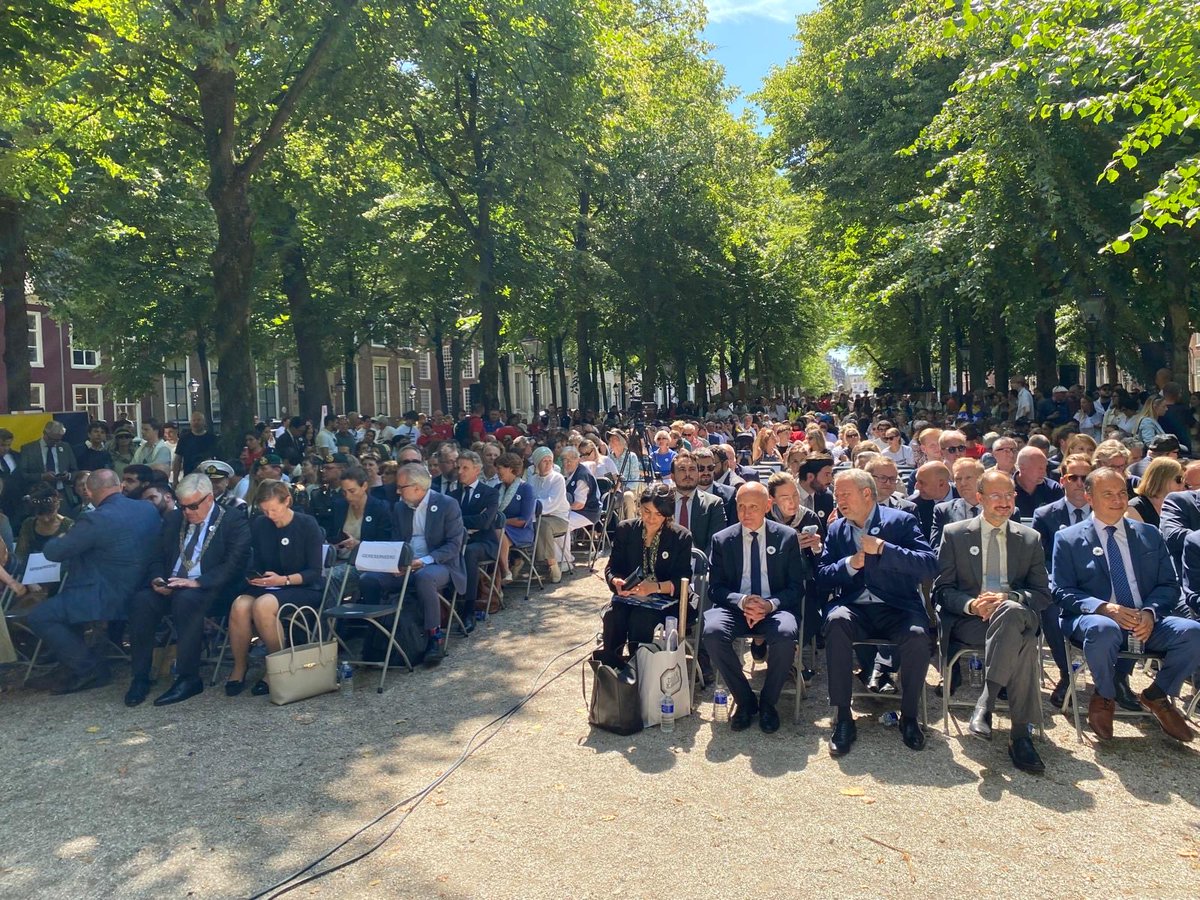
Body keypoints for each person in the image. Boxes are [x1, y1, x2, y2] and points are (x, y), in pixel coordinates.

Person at [1052, 467, 1200, 742]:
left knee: (1193, 632)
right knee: (1103, 629)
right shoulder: (1069, 538)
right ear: (1089, 497)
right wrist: (1104, 608)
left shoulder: (1149, 534)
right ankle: (1105, 695)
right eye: (1108, 494)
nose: (1118, 500)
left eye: (1122, 493)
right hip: (1094, 618)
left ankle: (1157, 695)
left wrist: (1150, 612)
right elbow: (1061, 590)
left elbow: (1169, 584)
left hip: (1143, 619)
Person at [933, 470, 1051, 773]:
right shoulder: (956, 534)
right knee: (1022, 642)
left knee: (1011, 611)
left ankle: (986, 701)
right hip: (972, 622)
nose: (1004, 501)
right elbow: (942, 591)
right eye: (996, 495)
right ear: (980, 498)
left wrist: (1009, 596)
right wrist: (972, 604)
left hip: (1015, 614)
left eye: (1009, 494)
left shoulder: (1029, 538)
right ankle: (1020, 735)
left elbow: (1041, 594)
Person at [818, 469, 937, 756]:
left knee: (918, 636)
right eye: (837, 494)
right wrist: (850, 564)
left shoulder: (901, 521)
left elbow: (929, 565)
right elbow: (822, 576)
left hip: (897, 607)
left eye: (845, 494)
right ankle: (844, 717)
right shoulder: (837, 529)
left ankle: (909, 716)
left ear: (866, 494)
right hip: (855, 608)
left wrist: (885, 549)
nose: (839, 500)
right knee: (835, 622)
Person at [26, 471, 162, 694]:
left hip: (106, 595)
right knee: (64, 602)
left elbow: (54, 552)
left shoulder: (95, 519)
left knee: (40, 616)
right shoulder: (147, 508)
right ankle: (69, 665)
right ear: (119, 486)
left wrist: (61, 536)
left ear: (88, 492)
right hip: (144, 590)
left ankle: (88, 667)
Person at [125, 473, 252, 707]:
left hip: (211, 589)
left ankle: (188, 677)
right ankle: (140, 676)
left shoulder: (233, 520)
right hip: (173, 585)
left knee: (186, 599)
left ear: (209, 498)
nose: (187, 512)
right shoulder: (175, 519)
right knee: (141, 601)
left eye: (193, 506)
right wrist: (157, 578)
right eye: (183, 506)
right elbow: (156, 556)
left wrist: (198, 582)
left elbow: (235, 564)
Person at [702, 481, 807, 733]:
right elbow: (715, 588)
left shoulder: (786, 537)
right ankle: (745, 700)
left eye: (753, 507)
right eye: (741, 507)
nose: (746, 513)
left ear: (768, 506)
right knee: (712, 631)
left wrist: (769, 605)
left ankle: (769, 702)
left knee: (784, 635)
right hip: (736, 608)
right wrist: (742, 601)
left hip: (774, 608)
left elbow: (796, 587)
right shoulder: (722, 540)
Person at [358, 463, 466, 666]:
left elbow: (454, 545)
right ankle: (376, 636)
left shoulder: (447, 504)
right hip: (407, 563)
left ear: (417, 488)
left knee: (424, 578)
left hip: (439, 562)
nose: (397, 491)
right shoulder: (400, 508)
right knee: (369, 580)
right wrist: (397, 563)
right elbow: (396, 541)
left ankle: (435, 638)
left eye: (402, 487)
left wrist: (424, 561)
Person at [225, 481, 325, 696]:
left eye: (274, 509)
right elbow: (258, 562)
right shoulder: (261, 525)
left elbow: (315, 571)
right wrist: (256, 577)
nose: (270, 515)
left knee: (263, 605)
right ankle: (240, 666)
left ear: (287, 501)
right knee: (240, 605)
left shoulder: (307, 524)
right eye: (265, 510)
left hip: (302, 586)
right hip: (270, 585)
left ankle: (277, 667)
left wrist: (284, 580)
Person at [601, 484, 693, 665]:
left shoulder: (680, 537)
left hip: (665, 600)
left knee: (640, 620)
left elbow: (683, 579)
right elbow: (612, 567)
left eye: (658, 514)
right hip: (630, 596)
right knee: (612, 617)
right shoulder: (626, 529)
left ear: (667, 515)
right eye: (646, 511)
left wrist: (654, 587)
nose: (651, 519)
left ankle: (640, 669)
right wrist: (616, 581)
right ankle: (612, 672)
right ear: (639, 508)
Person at [1030, 453, 1094, 706]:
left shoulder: (1105, 512)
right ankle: (1067, 673)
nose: (1079, 482)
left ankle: (1117, 679)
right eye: (1073, 477)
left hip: (1098, 584)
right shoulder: (1045, 515)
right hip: (1059, 584)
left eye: (1085, 477)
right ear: (1063, 479)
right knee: (1049, 607)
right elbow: (1038, 559)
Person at [452, 450, 500, 632]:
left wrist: (459, 520)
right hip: (458, 541)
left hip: (484, 543)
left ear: (477, 469)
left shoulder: (490, 493)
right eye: (458, 467)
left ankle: (469, 609)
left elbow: (485, 522)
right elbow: (448, 522)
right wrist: (469, 521)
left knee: (469, 553)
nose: (460, 472)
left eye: (465, 468)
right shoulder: (453, 495)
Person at [669, 450, 727, 557]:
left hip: (700, 565)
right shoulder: (663, 501)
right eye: (682, 470)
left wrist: (702, 566)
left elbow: (715, 543)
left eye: (692, 469)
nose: (688, 474)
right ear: (672, 476)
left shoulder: (713, 504)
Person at [525, 447, 568, 584]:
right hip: (536, 517)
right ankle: (518, 561)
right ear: (537, 463)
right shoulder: (532, 480)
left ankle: (552, 564)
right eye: (544, 461)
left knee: (542, 524)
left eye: (550, 460)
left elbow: (552, 503)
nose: (548, 463)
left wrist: (532, 505)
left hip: (558, 518)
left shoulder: (557, 479)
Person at [494, 453, 537, 584]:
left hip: (521, 530)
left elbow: (524, 519)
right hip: (498, 529)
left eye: (500, 468)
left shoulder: (526, 489)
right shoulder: (497, 488)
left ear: (510, 468)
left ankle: (505, 571)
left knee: (499, 532)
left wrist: (501, 522)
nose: (497, 472)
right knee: (496, 532)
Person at [18, 420, 77, 495]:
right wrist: (42, 476)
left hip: (62, 492)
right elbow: (22, 475)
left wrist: (68, 476)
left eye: (58, 440)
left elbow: (75, 471)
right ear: (44, 433)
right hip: (38, 493)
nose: (55, 443)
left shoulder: (65, 447)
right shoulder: (28, 449)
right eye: (52, 439)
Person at [1125, 456, 1185, 528]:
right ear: (1162, 479)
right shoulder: (1135, 508)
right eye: (1179, 480)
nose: (1183, 484)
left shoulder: (1179, 505)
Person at [1013, 447, 1063, 518]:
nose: (1044, 472)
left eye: (1045, 467)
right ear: (1022, 468)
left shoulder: (1053, 488)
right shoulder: (1006, 489)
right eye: (1040, 468)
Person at [173, 412, 220, 483]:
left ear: (204, 422)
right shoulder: (184, 439)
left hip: (208, 477)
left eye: (199, 420)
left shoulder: (212, 439)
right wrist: (175, 479)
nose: (196, 422)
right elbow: (178, 459)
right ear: (190, 423)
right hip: (188, 477)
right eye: (194, 420)